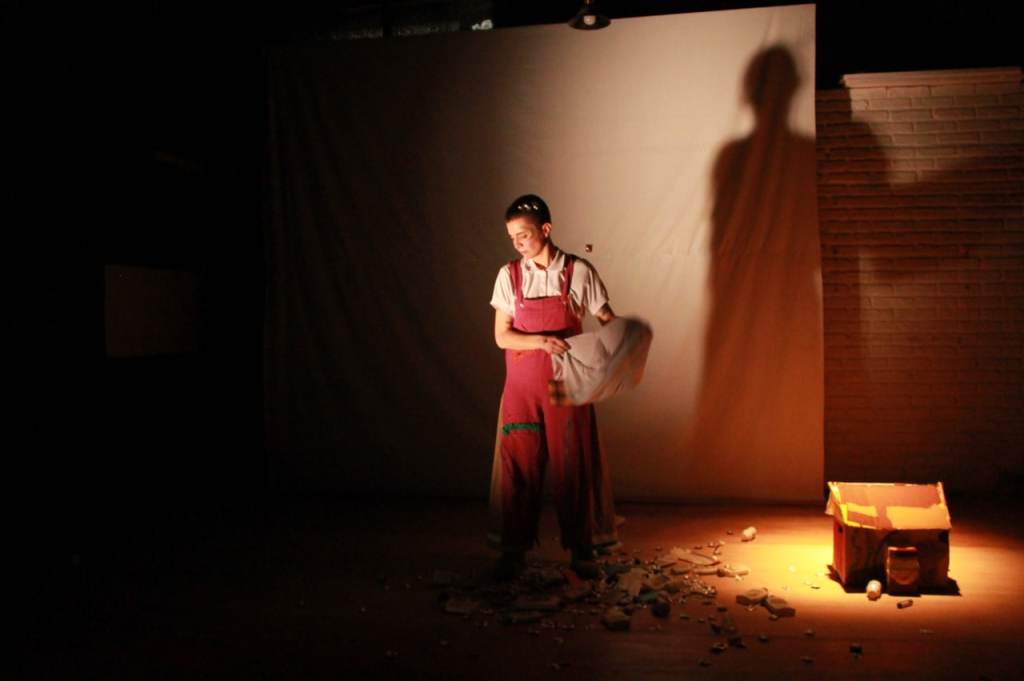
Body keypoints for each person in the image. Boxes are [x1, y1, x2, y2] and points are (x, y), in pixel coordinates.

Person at [489, 194, 616, 580]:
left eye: (524, 235)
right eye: (512, 237)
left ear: (545, 229)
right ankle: (513, 550)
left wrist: (619, 345)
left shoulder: (578, 271)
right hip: (522, 389)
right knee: (519, 465)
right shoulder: (509, 275)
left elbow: (607, 319)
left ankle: (581, 550)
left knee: (572, 463)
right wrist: (541, 342)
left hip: (567, 386)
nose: (517, 244)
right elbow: (502, 336)